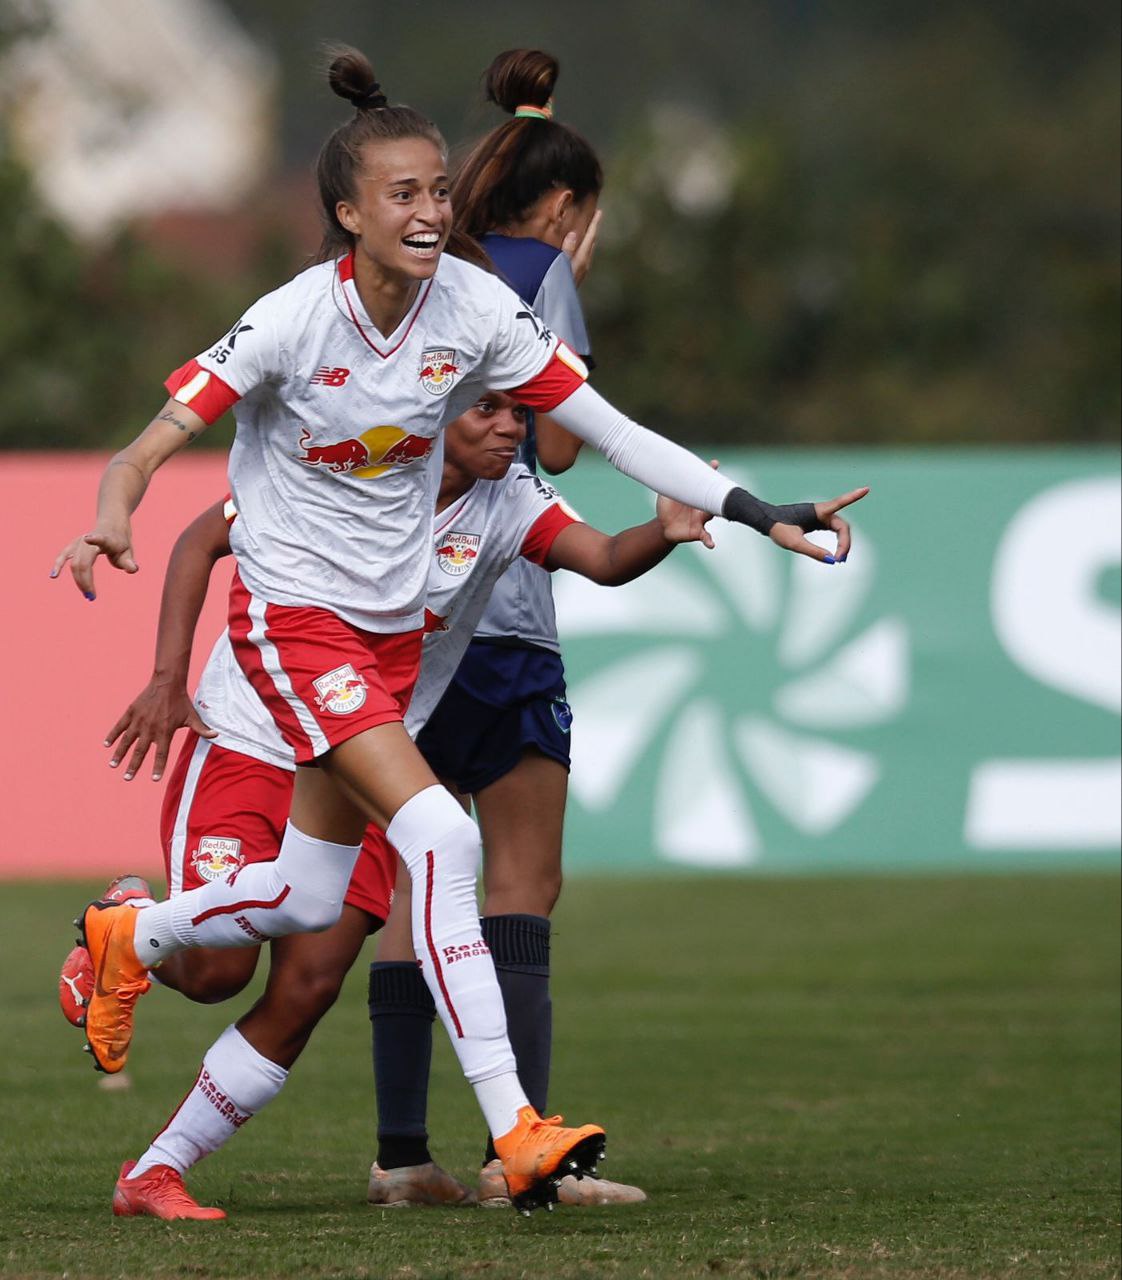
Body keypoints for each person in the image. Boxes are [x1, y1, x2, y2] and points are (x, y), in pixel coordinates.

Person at [57, 44, 865, 1214]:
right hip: (293, 630)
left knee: (297, 906)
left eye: (438, 189)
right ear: (347, 215)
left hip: (381, 652)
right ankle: (517, 1128)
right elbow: (154, 440)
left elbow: (612, 429)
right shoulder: (293, 318)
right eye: (403, 193)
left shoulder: (479, 312)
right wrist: (111, 507)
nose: (430, 209)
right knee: (441, 833)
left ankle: (137, 976)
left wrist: (754, 507)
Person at [56, 389, 725, 1219]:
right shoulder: (352, 464)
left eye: (519, 413)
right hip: (249, 738)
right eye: (485, 410)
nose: (510, 428)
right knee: (218, 972)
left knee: (307, 986)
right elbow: (203, 536)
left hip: (361, 759)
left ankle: (153, 1170)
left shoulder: (510, 499)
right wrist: (167, 678)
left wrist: (664, 529)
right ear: (433, 412)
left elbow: (605, 556)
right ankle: (132, 922)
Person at [368, 47, 620, 1207]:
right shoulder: (537, 273)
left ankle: (401, 1155)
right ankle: (522, 1158)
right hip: (502, 611)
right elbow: (558, 443)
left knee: (420, 884)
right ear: (566, 205)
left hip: (391, 620)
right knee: (521, 880)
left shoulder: (401, 275)